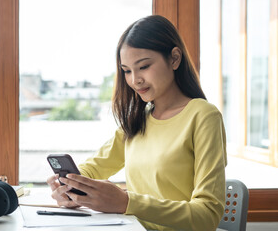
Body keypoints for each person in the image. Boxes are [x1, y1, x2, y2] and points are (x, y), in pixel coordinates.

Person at [47, 15, 227, 231]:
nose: (134, 80)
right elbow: (93, 168)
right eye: (127, 71)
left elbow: (207, 216)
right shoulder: (137, 121)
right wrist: (67, 186)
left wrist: (126, 203)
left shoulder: (203, 116)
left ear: (174, 59)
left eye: (144, 66)